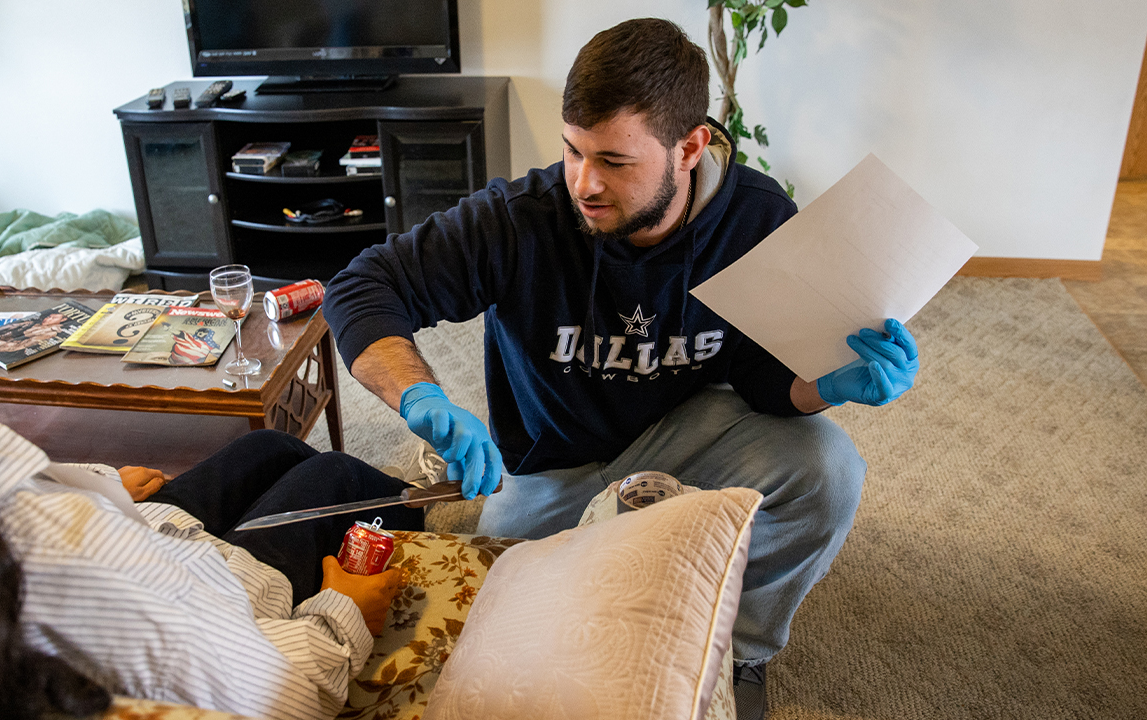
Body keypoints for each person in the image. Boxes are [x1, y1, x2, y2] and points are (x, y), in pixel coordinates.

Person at [322, 17, 919, 720]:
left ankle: (743, 648)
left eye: (614, 161)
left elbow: (764, 380)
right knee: (490, 629)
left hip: (688, 438)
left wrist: (826, 383)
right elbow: (362, 287)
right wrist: (420, 395)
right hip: (552, 465)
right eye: (574, 151)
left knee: (828, 467)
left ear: (690, 147)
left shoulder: (756, 220)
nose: (584, 183)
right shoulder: (523, 218)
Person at [0, 219, 425, 720]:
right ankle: (417, 527)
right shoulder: (55, 547)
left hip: (153, 532)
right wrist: (344, 610)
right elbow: (278, 696)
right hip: (227, 596)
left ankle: (397, 506)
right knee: (335, 476)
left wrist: (103, 486)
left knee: (273, 448)